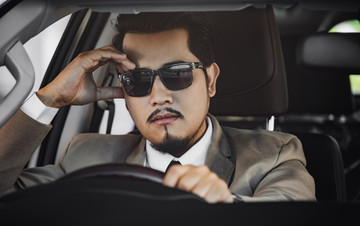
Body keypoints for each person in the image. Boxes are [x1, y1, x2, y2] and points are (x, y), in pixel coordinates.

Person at [0, 12, 315, 203]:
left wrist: (225, 207)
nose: (158, 97)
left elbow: (291, 220)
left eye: (176, 74)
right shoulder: (84, 156)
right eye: (137, 80)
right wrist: (50, 99)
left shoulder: (273, 155)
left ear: (211, 81)